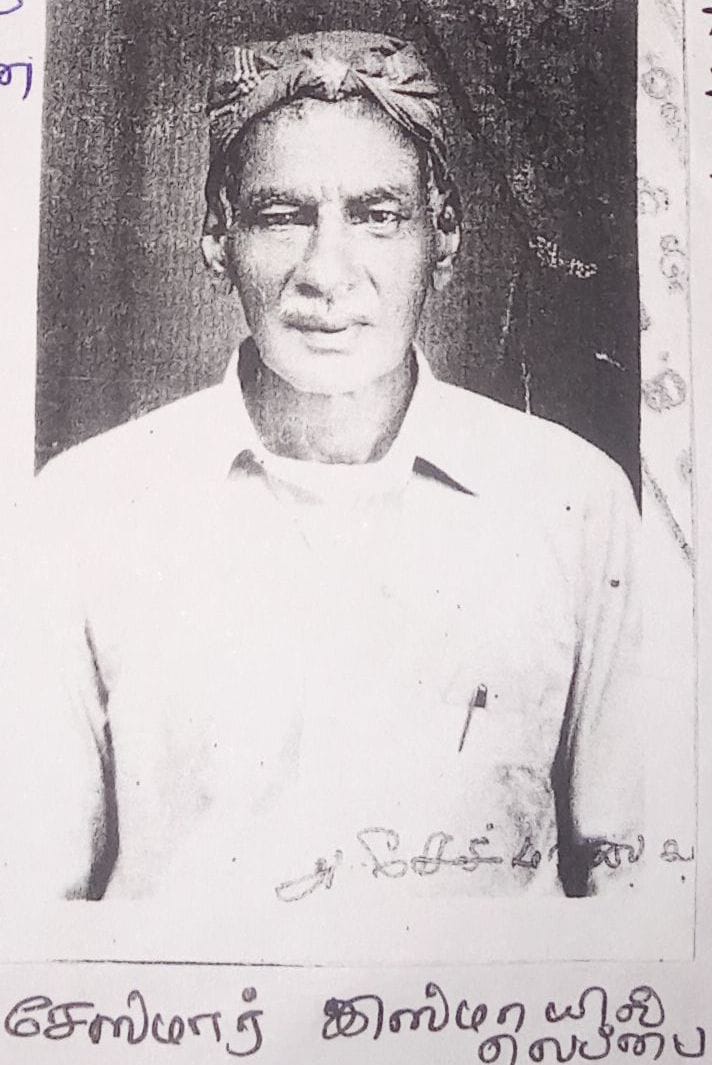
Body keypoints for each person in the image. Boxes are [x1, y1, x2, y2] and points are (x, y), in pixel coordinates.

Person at [10, 31, 640, 904]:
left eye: (377, 215)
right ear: (217, 237)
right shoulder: (81, 511)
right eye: (282, 215)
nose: (327, 273)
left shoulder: (575, 502)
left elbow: (642, 887)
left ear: (444, 236)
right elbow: (27, 907)